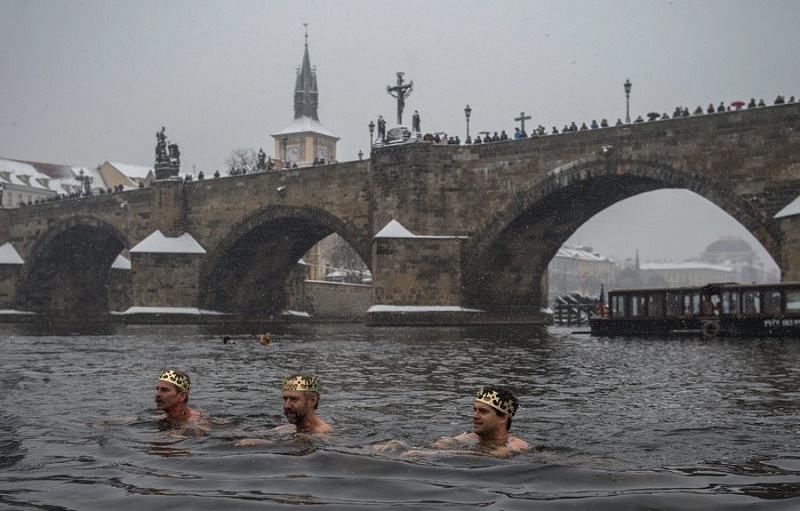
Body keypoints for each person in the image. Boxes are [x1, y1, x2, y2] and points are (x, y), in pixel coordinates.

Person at [376, 385, 528, 458]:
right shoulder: (472, 437)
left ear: (503, 418)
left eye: (483, 411)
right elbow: (441, 444)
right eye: (474, 409)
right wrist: (399, 445)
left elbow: (494, 456)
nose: (474, 416)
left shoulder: (516, 445)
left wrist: (426, 454)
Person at [236, 374, 331, 446]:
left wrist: (261, 443)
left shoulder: (322, 434)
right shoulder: (290, 428)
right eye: (285, 399)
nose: (287, 406)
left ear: (312, 401)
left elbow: (290, 445)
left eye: (294, 399)